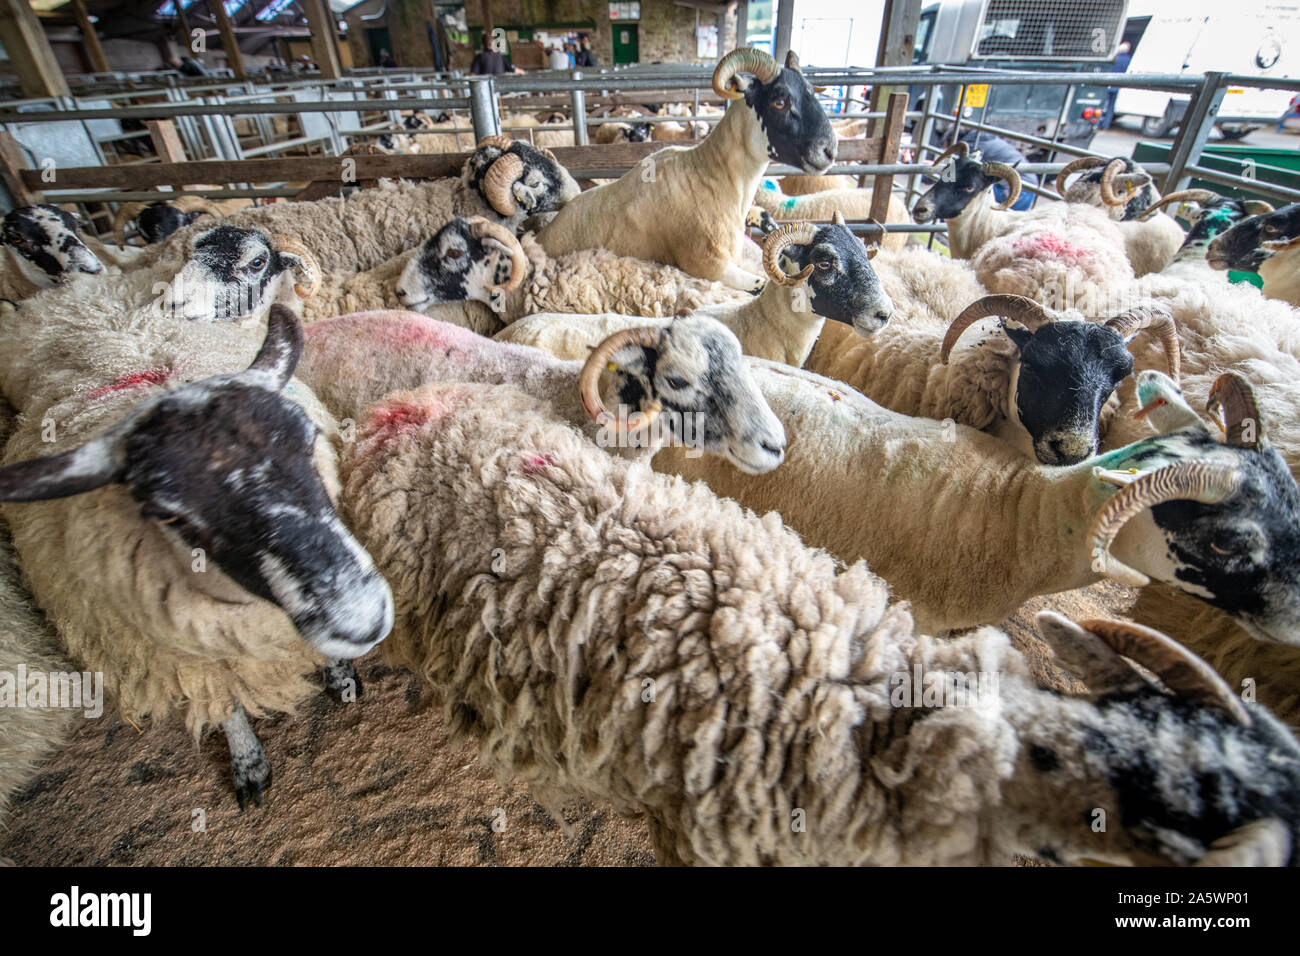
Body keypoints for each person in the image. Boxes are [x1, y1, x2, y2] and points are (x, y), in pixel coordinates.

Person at [1100, 41, 1132, 130]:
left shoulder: (1114, 58)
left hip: (1108, 84)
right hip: (1117, 86)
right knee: (1111, 106)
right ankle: (1106, 125)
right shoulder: (1128, 59)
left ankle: (1098, 123)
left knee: (1102, 105)